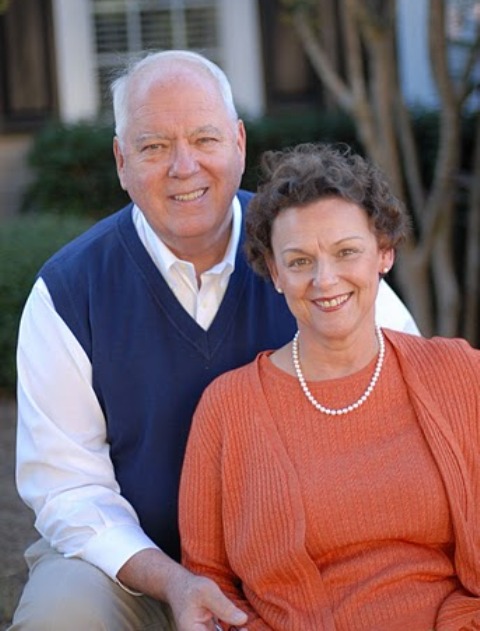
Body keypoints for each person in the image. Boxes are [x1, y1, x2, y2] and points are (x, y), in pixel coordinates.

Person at [11, 51, 419, 631]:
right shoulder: (68, 292)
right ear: (121, 160)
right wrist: (173, 580)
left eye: (204, 138)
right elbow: (68, 490)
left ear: (238, 143)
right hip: (131, 566)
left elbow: (411, 386)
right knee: (62, 614)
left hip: (309, 556)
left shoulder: (309, 253)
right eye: (153, 146)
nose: (184, 166)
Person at [179, 142, 480, 631]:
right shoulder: (228, 408)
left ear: (383, 253)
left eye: (346, 252)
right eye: (298, 261)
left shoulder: (461, 375)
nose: (325, 279)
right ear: (274, 273)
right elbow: (210, 581)